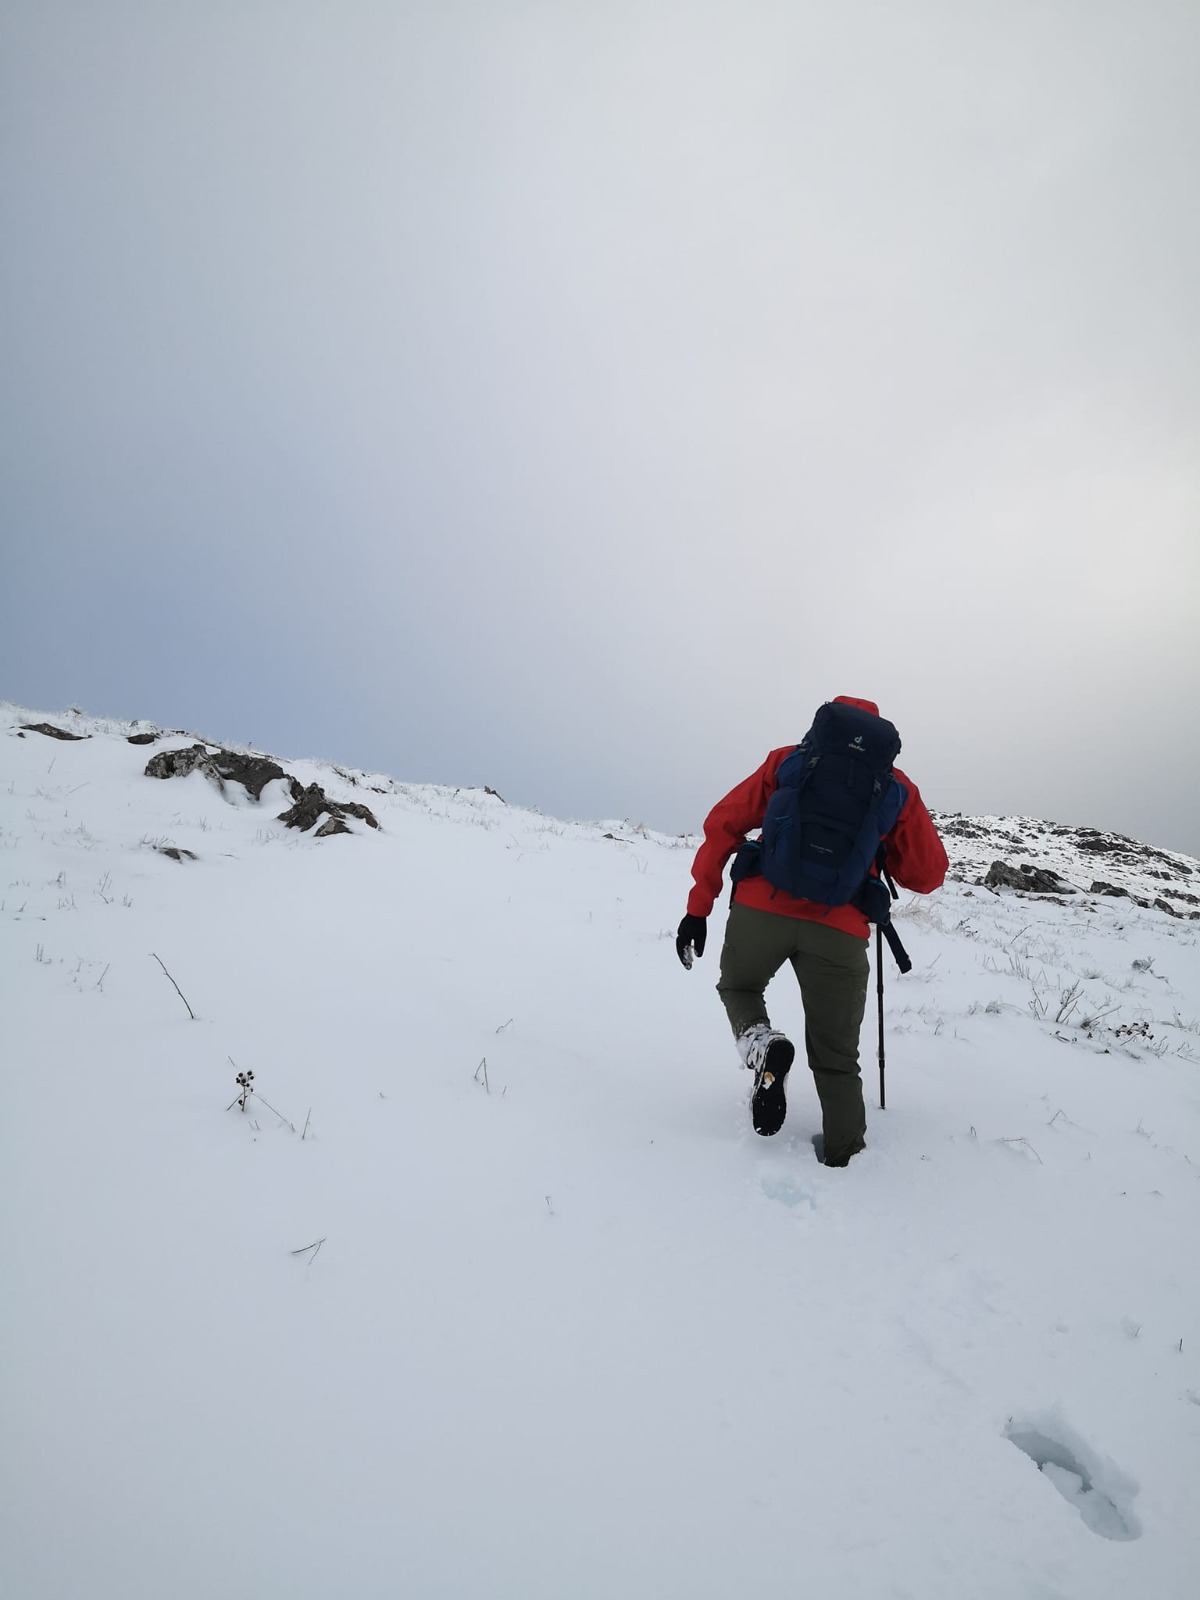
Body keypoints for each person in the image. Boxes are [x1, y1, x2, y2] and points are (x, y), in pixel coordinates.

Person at [676, 695, 948, 1165]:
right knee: (838, 1057)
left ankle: (763, 1044)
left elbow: (722, 823)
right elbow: (927, 875)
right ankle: (846, 1162)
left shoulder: (789, 760)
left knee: (739, 986)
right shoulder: (896, 787)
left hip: (762, 907)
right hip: (839, 929)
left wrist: (699, 907)